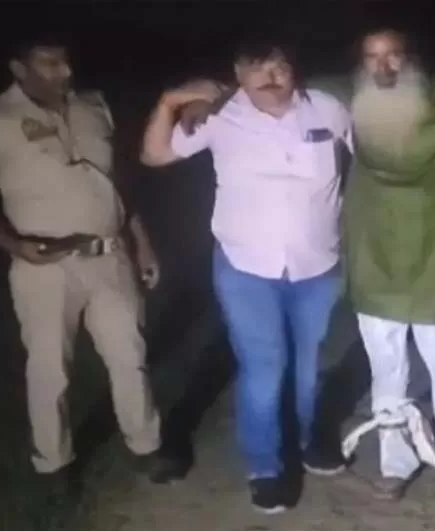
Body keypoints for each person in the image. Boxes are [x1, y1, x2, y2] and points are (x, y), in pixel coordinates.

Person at [0, 35, 180, 494]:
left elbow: (117, 182)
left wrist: (142, 243)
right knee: (50, 369)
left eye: (66, 62)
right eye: (49, 63)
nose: (65, 72)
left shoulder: (94, 106)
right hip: (46, 266)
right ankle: (53, 465)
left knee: (129, 356)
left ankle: (146, 447)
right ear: (19, 68)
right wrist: (15, 245)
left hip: (110, 255)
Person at [140, 35, 351, 514]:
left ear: (294, 70)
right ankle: (265, 468)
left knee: (309, 364)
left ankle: (306, 440)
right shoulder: (219, 116)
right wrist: (170, 102)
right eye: (257, 69)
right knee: (264, 367)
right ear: (238, 76)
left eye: (279, 67)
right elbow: (155, 155)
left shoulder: (329, 108)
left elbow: (375, 153)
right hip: (246, 268)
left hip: (318, 265)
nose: (270, 78)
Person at [336, 28, 435, 501]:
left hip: (433, 251)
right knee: (386, 364)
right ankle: (396, 461)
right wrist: (210, 100)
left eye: (393, 55)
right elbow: (274, 91)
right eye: (372, 57)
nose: (383, 67)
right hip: (372, 253)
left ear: (413, 60)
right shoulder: (347, 99)